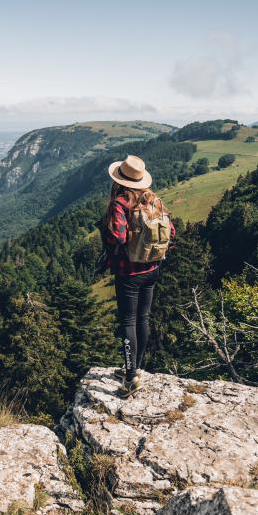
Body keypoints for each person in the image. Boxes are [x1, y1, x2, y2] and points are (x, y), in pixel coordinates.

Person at [103, 155, 175, 398]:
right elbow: (171, 231)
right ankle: (136, 368)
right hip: (152, 270)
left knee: (128, 322)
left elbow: (118, 238)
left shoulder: (121, 203)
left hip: (129, 272)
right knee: (143, 318)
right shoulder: (154, 200)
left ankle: (130, 375)